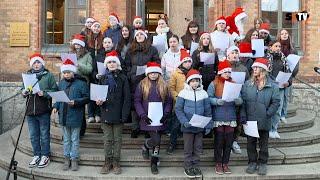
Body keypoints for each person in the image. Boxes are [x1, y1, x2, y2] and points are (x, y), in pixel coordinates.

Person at [241, 58, 280, 175]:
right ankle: (252, 162)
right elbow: (243, 101)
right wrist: (243, 116)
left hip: (265, 120)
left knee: (264, 144)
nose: (254, 69)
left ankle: (263, 163)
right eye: (253, 67)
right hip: (251, 120)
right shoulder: (248, 84)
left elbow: (276, 102)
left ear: (263, 69)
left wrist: (267, 113)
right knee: (250, 143)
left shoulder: (272, 85)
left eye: (256, 67)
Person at [96, 50, 131, 175]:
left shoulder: (123, 78)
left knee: (117, 140)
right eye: (109, 62)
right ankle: (107, 161)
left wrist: (124, 115)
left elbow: (127, 99)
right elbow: (99, 95)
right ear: (106, 64)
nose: (111, 64)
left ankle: (116, 162)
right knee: (107, 140)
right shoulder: (103, 78)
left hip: (118, 114)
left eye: (113, 62)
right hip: (106, 112)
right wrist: (99, 102)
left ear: (117, 64)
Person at [134, 62, 173, 174]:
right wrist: (142, 115)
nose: (153, 74)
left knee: (158, 141)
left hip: (160, 117)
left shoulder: (164, 84)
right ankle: (146, 146)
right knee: (156, 140)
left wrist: (165, 114)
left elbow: (169, 101)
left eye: (155, 72)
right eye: (151, 72)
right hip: (147, 117)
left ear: (159, 73)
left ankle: (154, 163)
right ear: (148, 74)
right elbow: (137, 101)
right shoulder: (142, 84)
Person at [207, 60, 245, 175]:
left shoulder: (234, 83)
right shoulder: (214, 83)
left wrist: (238, 100)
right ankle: (218, 163)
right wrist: (216, 101)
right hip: (218, 115)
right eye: (225, 72)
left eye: (229, 72)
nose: (228, 74)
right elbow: (208, 98)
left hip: (231, 116)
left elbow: (240, 99)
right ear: (220, 73)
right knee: (219, 141)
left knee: (228, 142)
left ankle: (225, 163)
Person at [52, 59, 89, 171]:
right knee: (66, 139)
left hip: (75, 115)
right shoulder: (62, 83)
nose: (66, 74)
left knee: (74, 139)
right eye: (64, 72)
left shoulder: (81, 83)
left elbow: (87, 98)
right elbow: (59, 97)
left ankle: (74, 159)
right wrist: (55, 107)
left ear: (73, 72)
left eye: (68, 72)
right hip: (63, 115)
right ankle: (66, 158)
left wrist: (76, 102)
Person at [22, 53, 58, 168]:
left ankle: (45, 155)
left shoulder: (48, 75)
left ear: (41, 64)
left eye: (38, 62)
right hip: (30, 110)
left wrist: (45, 93)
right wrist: (23, 92)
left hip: (43, 109)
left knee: (44, 134)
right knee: (33, 135)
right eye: (34, 63)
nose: (36, 65)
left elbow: (55, 91)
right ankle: (36, 154)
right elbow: (22, 88)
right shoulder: (27, 75)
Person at [175, 69, 212, 179]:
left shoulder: (204, 94)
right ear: (188, 82)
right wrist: (184, 121)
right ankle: (188, 166)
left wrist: (209, 125)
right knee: (188, 148)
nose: (195, 83)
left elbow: (207, 110)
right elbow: (178, 109)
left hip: (199, 127)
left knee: (197, 147)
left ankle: (196, 166)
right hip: (188, 127)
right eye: (192, 81)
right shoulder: (183, 93)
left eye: (197, 81)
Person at [125, 29, 160, 138]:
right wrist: (131, 73)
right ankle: (135, 127)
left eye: (141, 34)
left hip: (148, 80)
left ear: (145, 36)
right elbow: (127, 65)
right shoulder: (130, 50)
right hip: (134, 80)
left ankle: (146, 127)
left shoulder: (152, 49)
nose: (139, 36)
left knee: (147, 102)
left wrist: (149, 69)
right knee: (135, 104)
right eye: (137, 35)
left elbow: (156, 62)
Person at [167, 48, 193, 155]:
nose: (187, 64)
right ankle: (172, 144)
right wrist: (177, 97)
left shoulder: (193, 73)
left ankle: (190, 147)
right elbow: (171, 88)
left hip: (191, 104)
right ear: (182, 62)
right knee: (175, 125)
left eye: (189, 61)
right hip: (179, 103)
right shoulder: (176, 73)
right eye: (185, 61)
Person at [225, 45, 249, 154]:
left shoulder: (243, 68)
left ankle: (234, 141)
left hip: (239, 98)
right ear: (228, 55)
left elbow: (248, 82)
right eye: (232, 53)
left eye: (236, 53)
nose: (235, 55)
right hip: (226, 98)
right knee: (227, 123)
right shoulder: (223, 65)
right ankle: (226, 144)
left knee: (238, 122)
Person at [266, 40, 292, 138]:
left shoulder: (283, 59)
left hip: (280, 88)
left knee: (278, 109)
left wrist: (288, 82)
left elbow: (288, 72)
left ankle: (274, 129)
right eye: (276, 46)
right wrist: (273, 82)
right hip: (269, 87)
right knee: (269, 109)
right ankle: (267, 129)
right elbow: (264, 73)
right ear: (270, 47)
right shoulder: (266, 58)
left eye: (279, 46)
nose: (278, 48)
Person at [70, 34, 93, 136]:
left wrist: (78, 65)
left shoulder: (88, 55)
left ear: (82, 46)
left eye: (79, 45)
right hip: (72, 81)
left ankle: (81, 130)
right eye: (75, 44)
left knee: (81, 106)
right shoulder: (71, 54)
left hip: (82, 82)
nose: (77, 46)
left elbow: (89, 69)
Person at [88, 37, 115, 123]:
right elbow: (93, 69)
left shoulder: (116, 55)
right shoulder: (98, 56)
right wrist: (96, 75)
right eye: (105, 42)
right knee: (95, 96)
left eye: (109, 42)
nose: (107, 44)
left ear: (112, 44)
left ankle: (99, 114)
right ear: (103, 44)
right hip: (98, 80)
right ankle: (92, 115)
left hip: (110, 81)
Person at [276, 29, 299, 123]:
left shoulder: (293, 49)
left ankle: (283, 114)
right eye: (282, 34)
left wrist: (293, 74)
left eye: (286, 33)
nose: (284, 35)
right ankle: (278, 115)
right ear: (279, 36)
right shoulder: (277, 47)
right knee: (279, 97)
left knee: (286, 96)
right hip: (278, 75)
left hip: (289, 75)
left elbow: (296, 63)